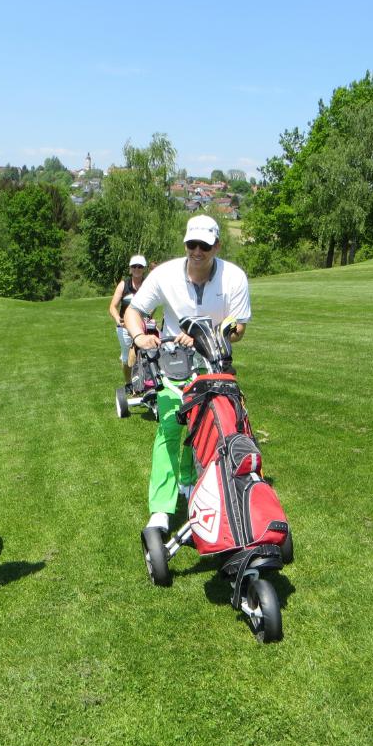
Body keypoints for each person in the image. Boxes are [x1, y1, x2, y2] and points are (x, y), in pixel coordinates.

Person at [123, 215, 251, 534]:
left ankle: (194, 486)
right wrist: (140, 337)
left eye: (204, 246)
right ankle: (162, 510)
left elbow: (239, 328)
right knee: (169, 428)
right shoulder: (164, 274)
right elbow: (133, 312)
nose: (197, 251)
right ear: (185, 244)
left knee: (210, 430)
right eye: (192, 244)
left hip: (215, 365)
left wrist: (210, 335)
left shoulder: (234, 277)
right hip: (173, 364)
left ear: (216, 246)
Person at [107, 255, 148, 385]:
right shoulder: (123, 285)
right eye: (134, 266)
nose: (137, 269)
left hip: (143, 326)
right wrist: (118, 320)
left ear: (144, 268)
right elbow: (113, 307)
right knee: (127, 358)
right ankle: (129, 383)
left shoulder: (148, 284)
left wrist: (146, 318)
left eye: (140, 266)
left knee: (146, 354)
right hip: (124, 328)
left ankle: (145, 383)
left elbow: (152, 306)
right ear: (130, 269)